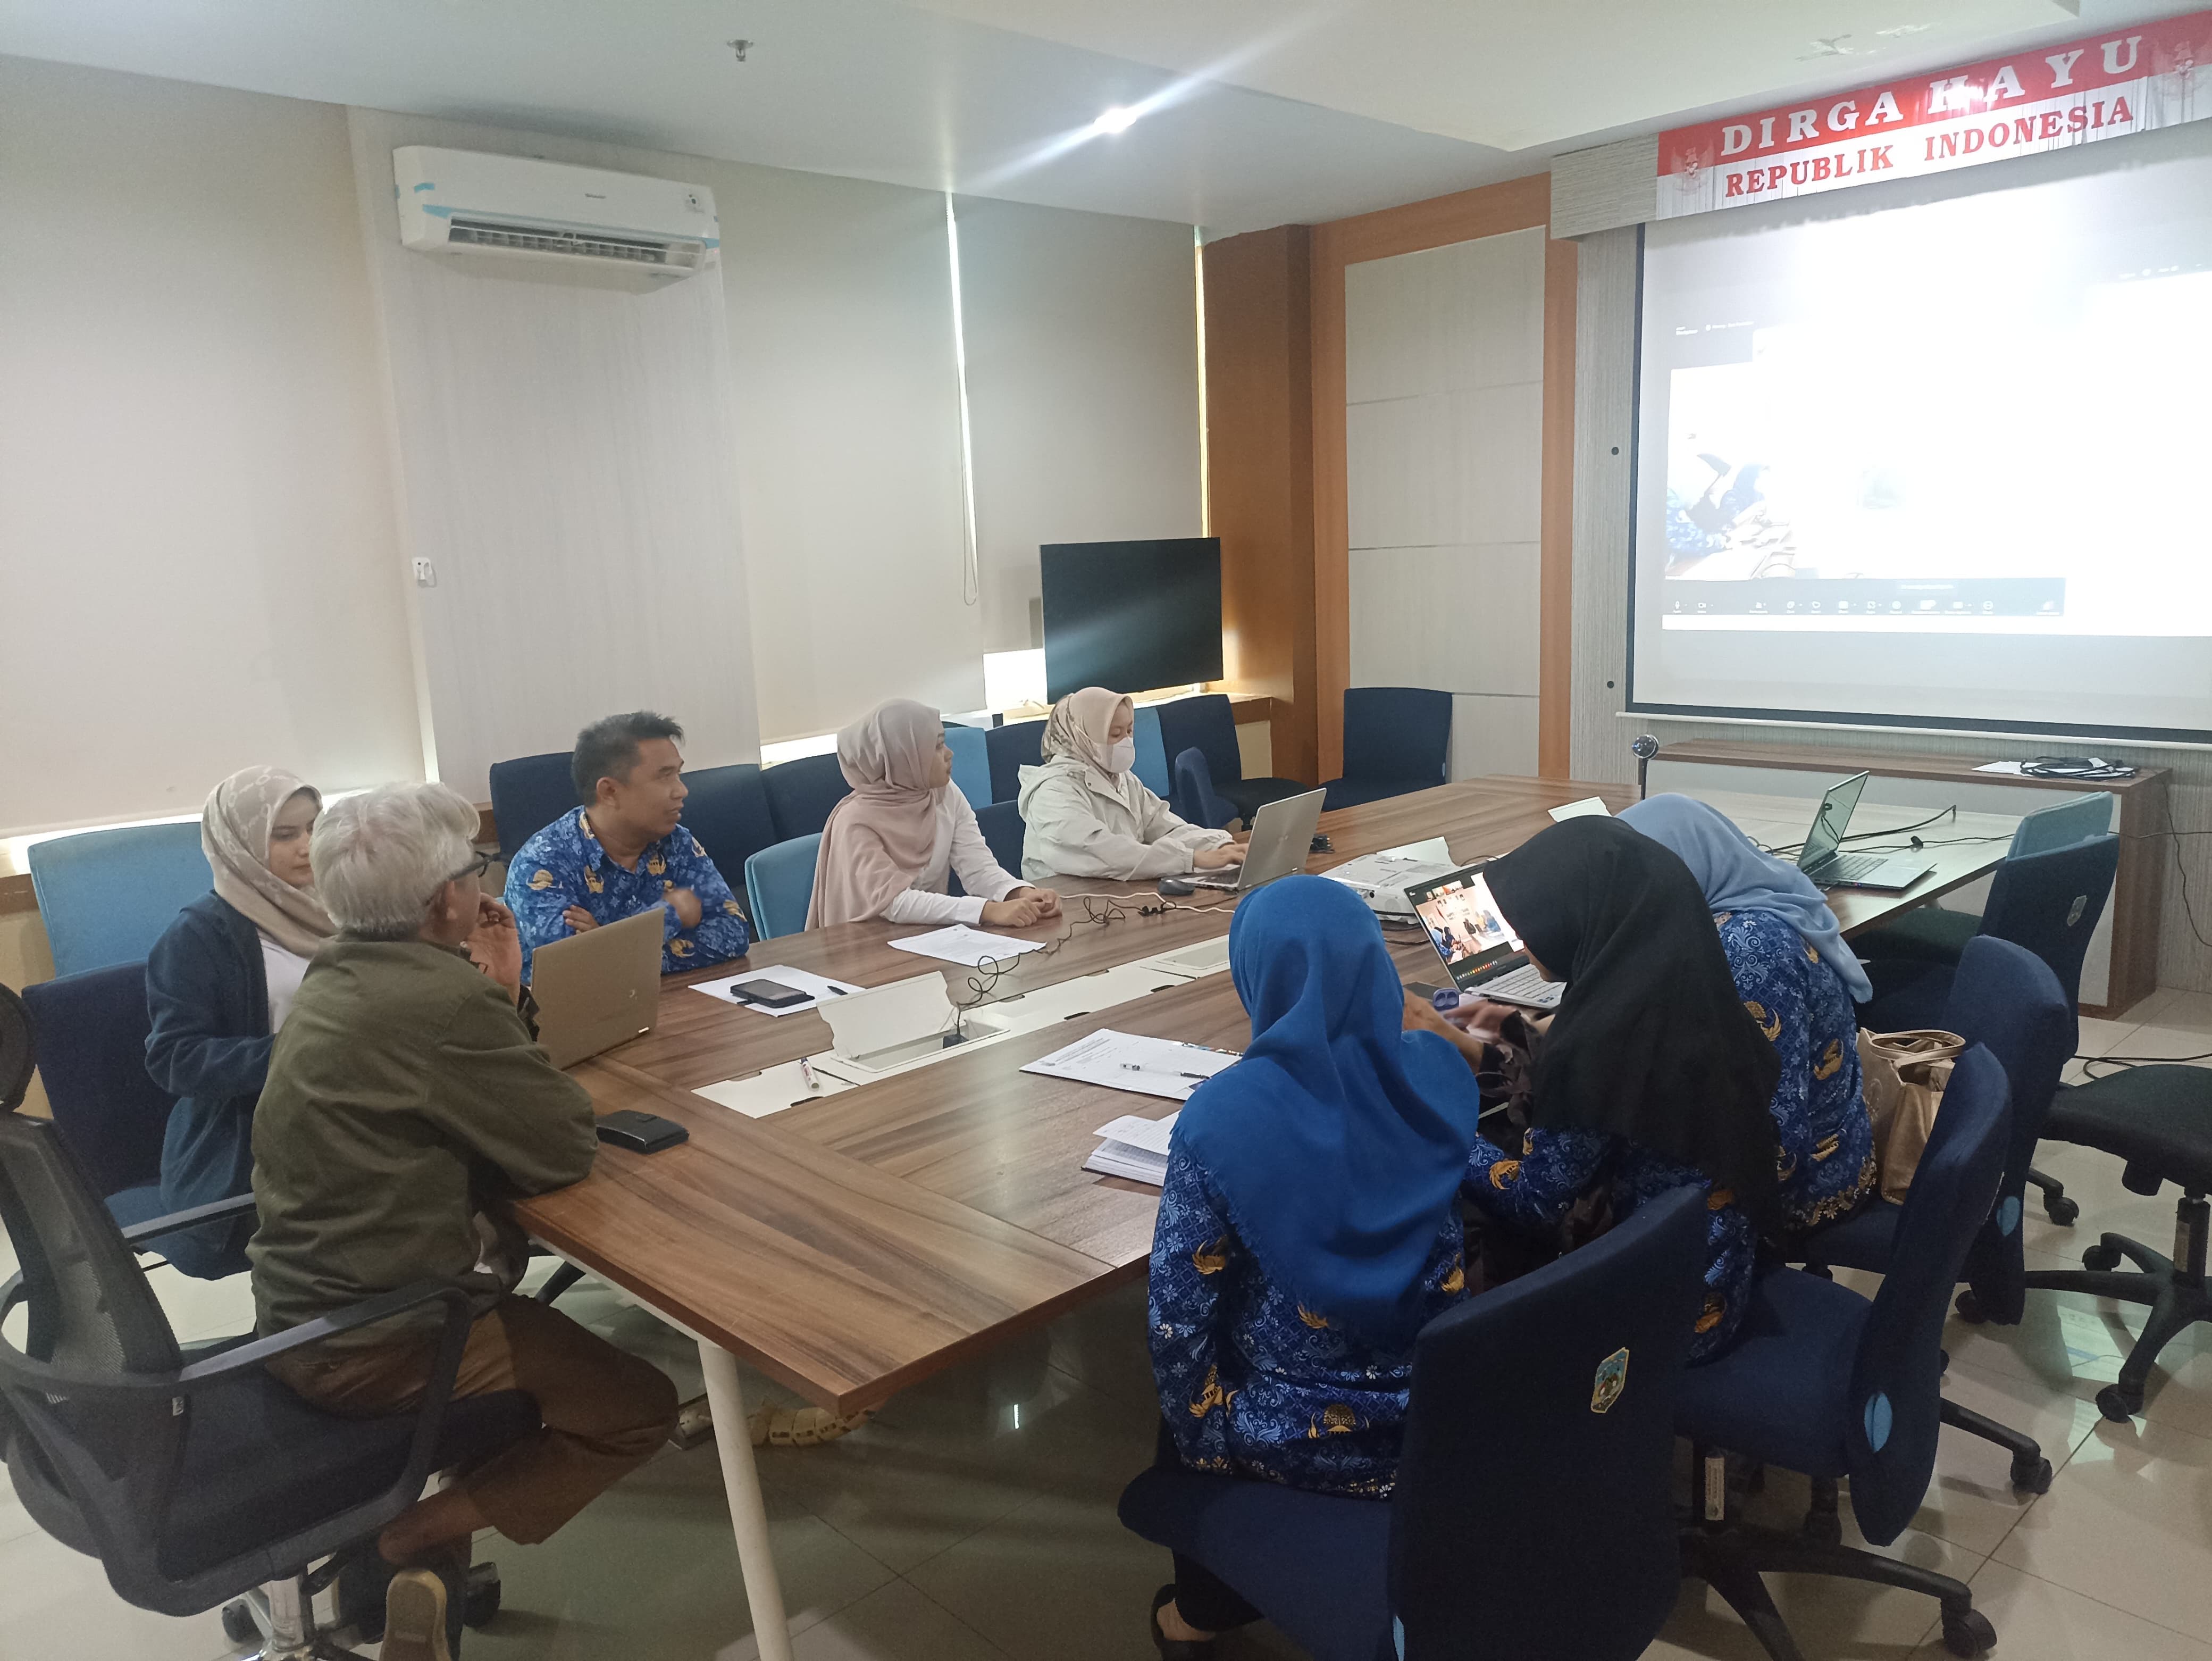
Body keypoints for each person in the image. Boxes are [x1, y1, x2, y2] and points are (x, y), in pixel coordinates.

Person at [252, 782, 678, 1657]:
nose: (481, 882)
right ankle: (404, 1538)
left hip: (297, 1313)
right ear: (446, 899)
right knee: (640, 1405)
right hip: (383, 1339)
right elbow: (561, 1144)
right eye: (472, 868)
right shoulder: (441, 1000)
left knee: (520, 1373)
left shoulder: (336, 972)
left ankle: (430, 1570)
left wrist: (498, 990)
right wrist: (502, 990)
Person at [1144, 877, 1481, 1655]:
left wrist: (1206, 1446)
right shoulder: (1434, 1070)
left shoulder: (1223, 1115)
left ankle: (1200, 1612)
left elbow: (1176, 1321)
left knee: (1185, 1400)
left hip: (1294, 1436)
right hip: (1442, 1415)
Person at [1415, 816, 1781, 1363]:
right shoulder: (1691, 982)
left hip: (1656, 1324)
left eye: (1529, 925)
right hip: (1723, 1270)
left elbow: (1535, 1200)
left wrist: (1444, 1132)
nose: (1520, 941)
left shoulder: (1597, 1046)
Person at [1619, 794, 1878, 1234]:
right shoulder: (1760, 895)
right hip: (1829, 1135)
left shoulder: (1748, 948)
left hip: (1809, 1179)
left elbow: (1774, 1133)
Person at [142, 766, 336, 1279]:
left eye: (314, 827)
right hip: (255, 1140)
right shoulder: (197, 936)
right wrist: (294, 1052)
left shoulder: (342, 908)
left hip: (344, 1111)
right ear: (239, 845)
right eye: (285, 834)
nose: (307, 846)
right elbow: (175, 1058)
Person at [504, 711, 751, 980]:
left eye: (678, 774)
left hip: (673, 997)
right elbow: (576, 967)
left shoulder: (676, 841)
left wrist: (611, 944)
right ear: (609, 791)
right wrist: (670, 913)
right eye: (664, 777)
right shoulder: (542, 863)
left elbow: (733, 932)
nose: (682, 790)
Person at [808, 698, 1062, 928]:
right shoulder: (854, 821)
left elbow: (978, 868)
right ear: (904, 756)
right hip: (864, 946)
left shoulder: (944, 794)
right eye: (938, 746)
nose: (950, 754)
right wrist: (987, 911)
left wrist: (1020, 893)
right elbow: (894, 903)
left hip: (927, 937)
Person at [1015, 687, 1239, 882]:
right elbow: (1099, 850)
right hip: (1066, 901)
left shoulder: (1121, 778)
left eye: (1129, 731)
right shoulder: (1053, 791)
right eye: (1116, 734)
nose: (1126, 741)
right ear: (1083, 737)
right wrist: (1190, 859)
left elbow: (1164, 826)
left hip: (1116, 889)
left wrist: (1219, 846)